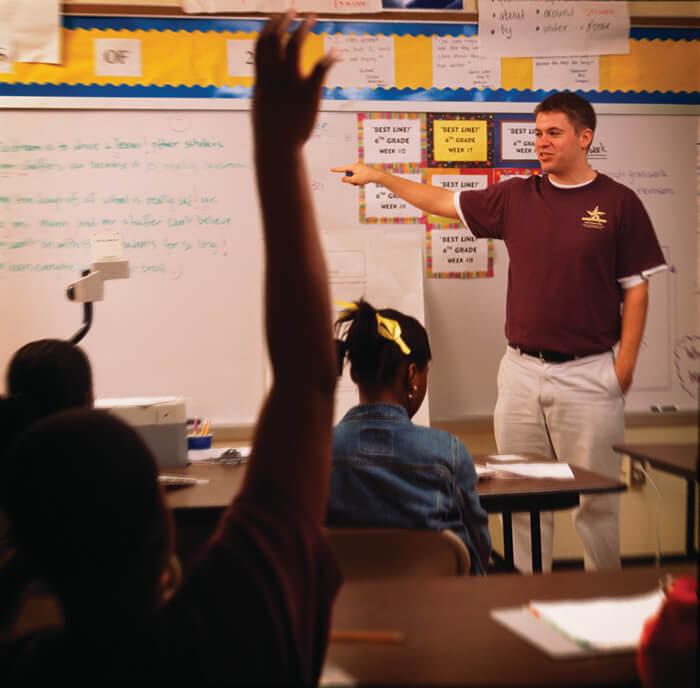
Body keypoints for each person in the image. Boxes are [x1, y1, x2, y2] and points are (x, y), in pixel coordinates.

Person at [0, 11, 341, 682]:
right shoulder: (240, 622)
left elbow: (306, 385)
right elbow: (309, 381)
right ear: (164, 525)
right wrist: (278, 153)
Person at [332, 92, 666, 572]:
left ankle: (606, 603)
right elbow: (443, 202)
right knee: (521, 499)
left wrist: (625, 365)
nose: (542, 142)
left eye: (554, 132)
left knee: (597, 506)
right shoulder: (516, 196)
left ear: (584, 137)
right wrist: (381, 177)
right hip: (521, 373)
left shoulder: (618, 203)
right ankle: (525, 600)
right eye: (537, 133)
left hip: (590, 375)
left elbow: (636, 287)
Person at [328, 299, 491, 574]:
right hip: (439, 609)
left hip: (344, 609)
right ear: (413, 375)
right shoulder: (447, 452)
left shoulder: (317, 452)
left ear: (355, 373)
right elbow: (479, 545)